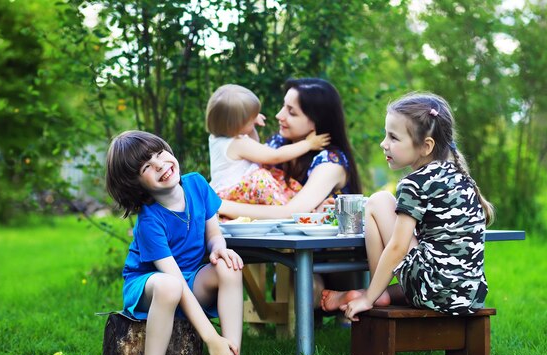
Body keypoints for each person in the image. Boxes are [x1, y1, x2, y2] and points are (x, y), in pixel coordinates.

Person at [321, 92, 495, 319]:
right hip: (470, 294)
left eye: (393, 138)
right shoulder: (461, 177)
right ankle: (377, 292)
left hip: (434, 290)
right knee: (384, 206)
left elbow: (397, 247)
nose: (384, 144)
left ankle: (375, 292)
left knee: (377, 201)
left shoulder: (415, 183)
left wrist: (367, 299)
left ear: (426, 146)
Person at [105, 130, 245, 355]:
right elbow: (175, 281)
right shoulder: (150, 221)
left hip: (190, 278)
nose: (160, 165)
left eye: (160, 154)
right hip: (150, 287)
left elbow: (214, 233)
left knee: (229, 265)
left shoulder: (197, 185)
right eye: (147, 166)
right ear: (135, 183)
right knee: (170, 285)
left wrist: (218, 249)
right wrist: (209, 337)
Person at [218, 78, 362, 219]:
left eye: (291, 112)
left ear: (316, 121)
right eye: (283, 106)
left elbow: (290, 213)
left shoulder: (330, 163)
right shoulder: (278, 145)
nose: (279, 115)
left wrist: (217, 205)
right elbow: (245, 178)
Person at [207, 84, 330, 205]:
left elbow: (254, 144)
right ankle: (294, 209)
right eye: (251, 120)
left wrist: (250, 125)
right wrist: (308, 144)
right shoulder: (238, 143)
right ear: (237, 125)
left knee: (279, 181)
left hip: (230, 192)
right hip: (237, 191)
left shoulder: (217, 139)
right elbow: (275, 156)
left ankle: (301, 206)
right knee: (265, 178)